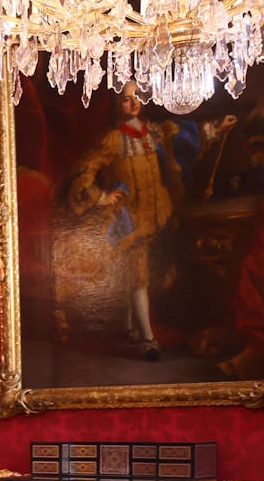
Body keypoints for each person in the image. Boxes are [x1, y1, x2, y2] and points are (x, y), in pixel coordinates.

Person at [66, 80, 234, 361]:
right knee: (139, 275)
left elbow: (187, 142)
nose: (133, 104)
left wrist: (217, 129)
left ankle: (128, 326)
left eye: (137, 97)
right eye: (126, 99)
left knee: (145, 274)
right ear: (116, 105)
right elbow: (85, 169)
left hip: (159, 214)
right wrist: (100, 197)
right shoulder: (113, 140)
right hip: (129, 219)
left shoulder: (155, 133)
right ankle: (147, 339)